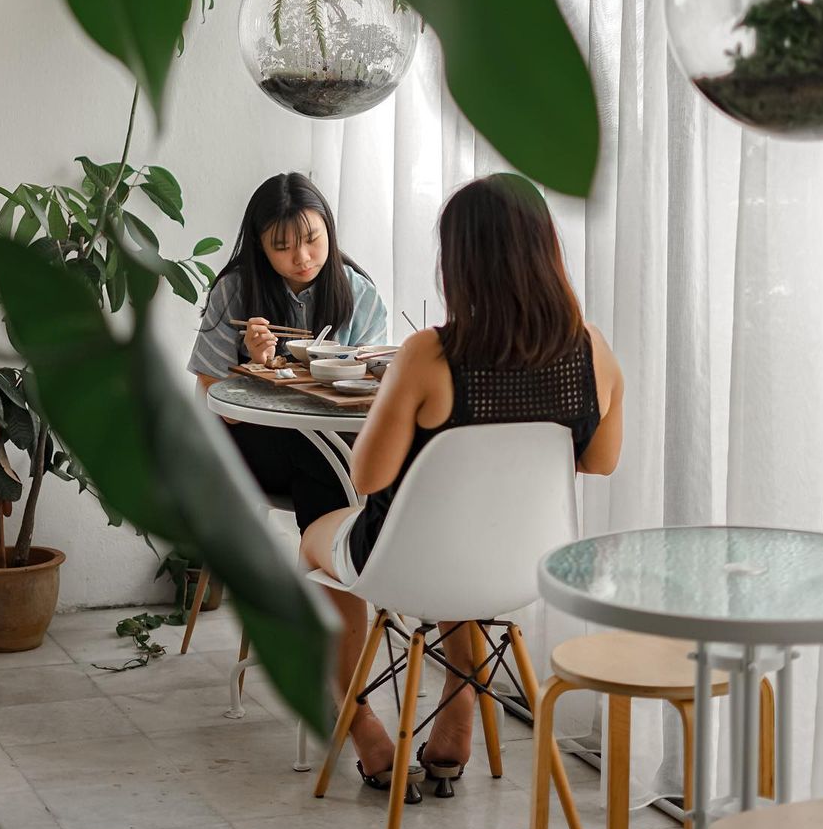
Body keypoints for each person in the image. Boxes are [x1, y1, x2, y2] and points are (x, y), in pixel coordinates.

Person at [302, 173, 624, 791]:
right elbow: (600, 462)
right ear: (546, 252)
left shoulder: (429, 354)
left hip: (412, 560)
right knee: (460, 549)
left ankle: (368, 732)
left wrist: (394, 399)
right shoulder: (593, 351)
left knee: (316, 536)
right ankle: (459, 711)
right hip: (522, 566)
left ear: (461, 262)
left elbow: (369, 476)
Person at [189, 171, 387, 537]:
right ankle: (343, 568)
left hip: (339, 448)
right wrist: (252, 367)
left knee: (325, 462)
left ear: (329, 228)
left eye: (313, 239)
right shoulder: (233, 291)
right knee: (318, 454)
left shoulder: (361, 295)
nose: (302, 257)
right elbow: (219, 408)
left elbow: (370, 397)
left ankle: (325, 573)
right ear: (260, 246)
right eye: (282, 247)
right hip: (251, 449)